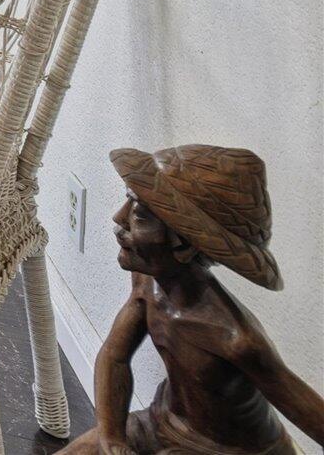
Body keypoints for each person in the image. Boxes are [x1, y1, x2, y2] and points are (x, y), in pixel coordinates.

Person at [64, 145, 323, 455]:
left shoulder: (236, 340)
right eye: (128, 202)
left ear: (185, 246)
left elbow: (309, 414)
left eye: (140, 215)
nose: (119, 219)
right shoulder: (146, 285)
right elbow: (114, 355)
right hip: (162, 425)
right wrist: (111, 437)